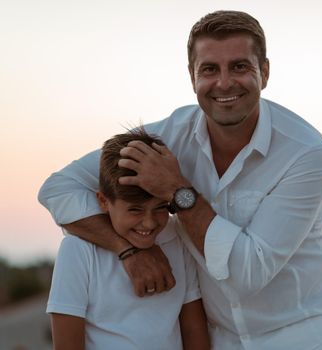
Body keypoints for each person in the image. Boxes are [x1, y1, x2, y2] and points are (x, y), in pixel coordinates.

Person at [39, 10, 322, 349]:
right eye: (209, 69)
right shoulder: (170, 136)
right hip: (220, 338)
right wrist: (127, 250)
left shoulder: (306, 153)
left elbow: (247, 275)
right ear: (192, 76)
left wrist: (177, 190)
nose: (224, 83)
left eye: (240, 66)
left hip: (298, 333)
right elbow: (58, 188)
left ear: (265, 72)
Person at [46, 129, 210, 350]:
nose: (149, 223)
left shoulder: (176, 239)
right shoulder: (77, 249)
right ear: (103, 201)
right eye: (135, 210)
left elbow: (193, 328)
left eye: (160, 207)